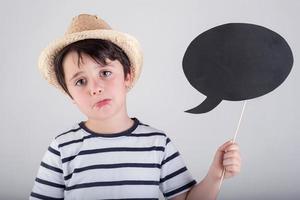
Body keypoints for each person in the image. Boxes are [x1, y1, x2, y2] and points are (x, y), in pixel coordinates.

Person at [30, 14, 241, 200]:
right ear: (70, 96)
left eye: (105, 73)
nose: (95, 88)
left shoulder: (157, 144)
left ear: (127, 76)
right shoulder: (62, 148)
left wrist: (215, 175)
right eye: (80, 81)